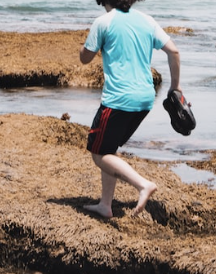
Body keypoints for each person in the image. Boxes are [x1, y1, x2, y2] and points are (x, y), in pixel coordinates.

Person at [79, 0, 181, 219]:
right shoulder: (147, 20)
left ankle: (142, 185)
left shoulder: (103, 22)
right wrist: (175, 88)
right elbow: (173, 51)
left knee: (98, 154)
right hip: (145, 99)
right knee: (109, 148)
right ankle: (105, 204)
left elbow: (85, 58)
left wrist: (84, 48)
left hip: (118, 100)